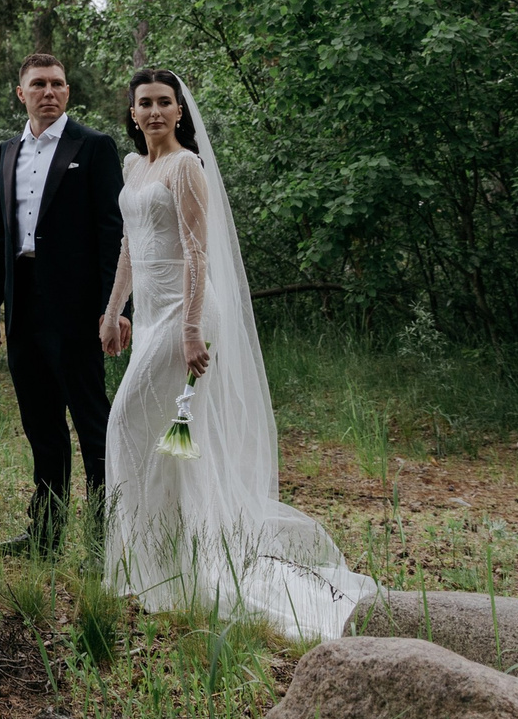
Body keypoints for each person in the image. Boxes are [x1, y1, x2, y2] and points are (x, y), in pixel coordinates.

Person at [98, 68, 376, 638]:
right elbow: (130, 245)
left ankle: (177, 567)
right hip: (149, 318)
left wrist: (194, 329)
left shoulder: (186, 168)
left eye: (164, 103)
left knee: (126, 422)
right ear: (131, 113)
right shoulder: (133, 167)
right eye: (144, 103)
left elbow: (198, 254)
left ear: (180, 113)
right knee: (162, 443)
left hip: (186, 315)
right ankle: (158, 567)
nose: (154, 112)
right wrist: (113, 310)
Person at [0, 52, 126, 552]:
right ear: (21, 93)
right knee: (41, 425)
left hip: (79, 309)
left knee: (92, 424)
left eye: (58, 84)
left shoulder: (95, 146)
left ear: (68, 92)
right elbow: (1, 228)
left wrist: (116, 308)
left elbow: (114, 234)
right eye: (38, 84)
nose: (49, 92)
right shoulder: (7, 151)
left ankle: (105, 537)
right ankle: (45, 535)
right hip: (23, 304)